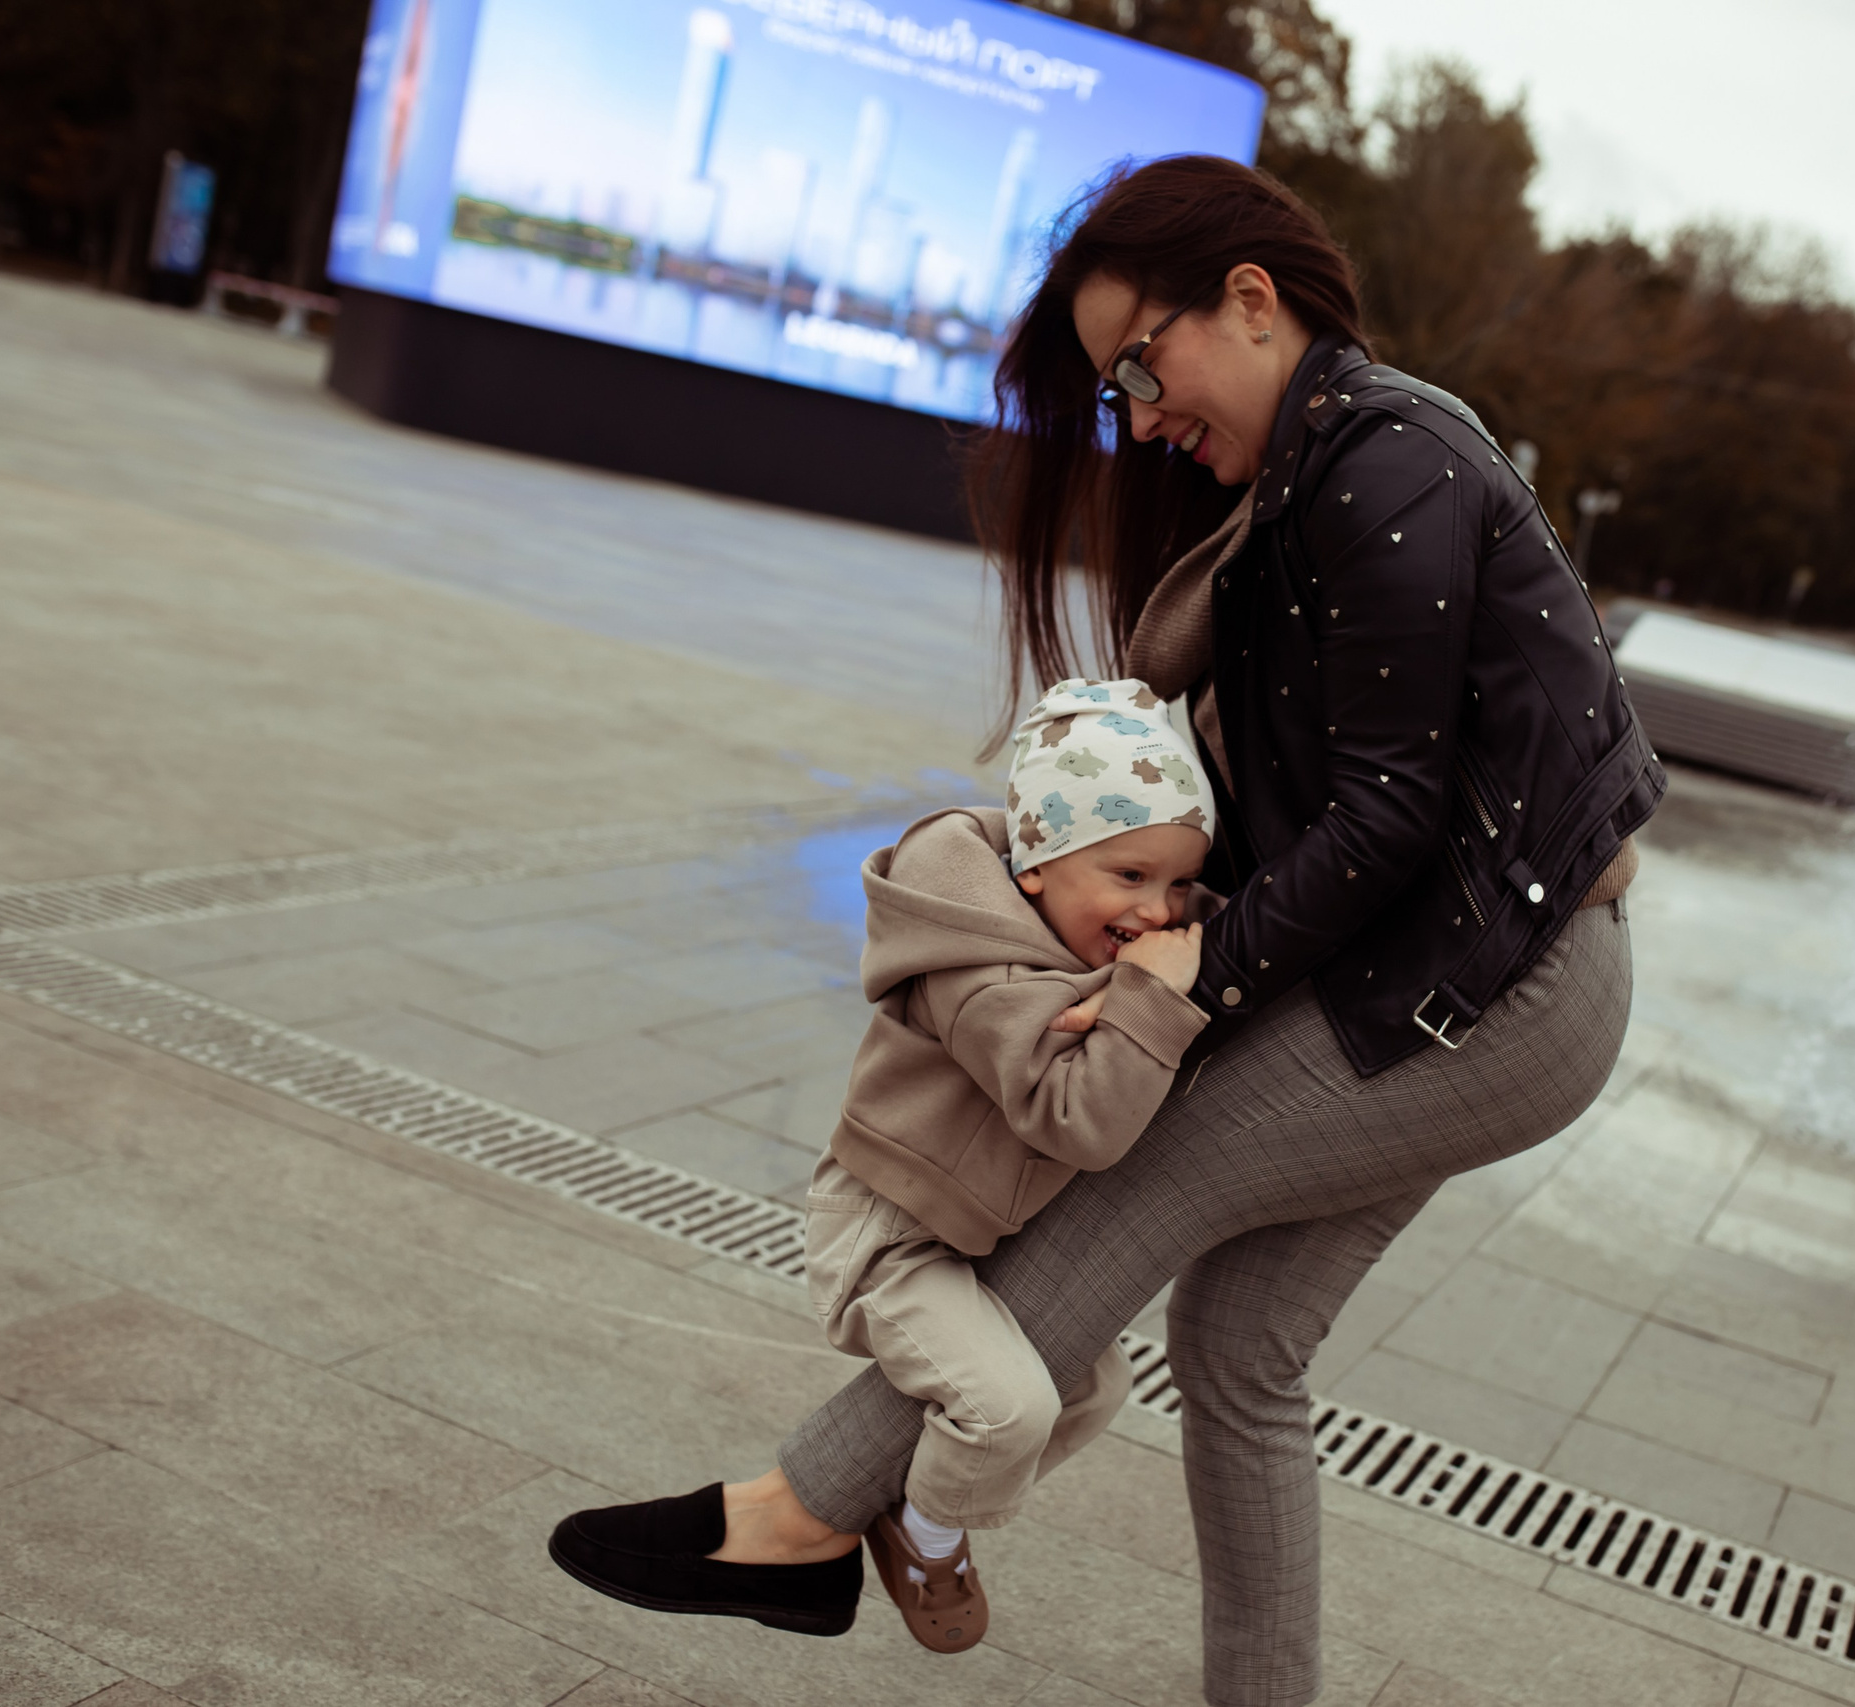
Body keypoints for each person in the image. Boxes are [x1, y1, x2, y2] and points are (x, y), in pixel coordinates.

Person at [548, 154, 1665, 1707]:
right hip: (1455, 975)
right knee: (1241, 1348)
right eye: (1114, 393)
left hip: (1500, 987)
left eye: (1141, 364)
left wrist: (1188, 965)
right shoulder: (1312, 482)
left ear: (1252, 301)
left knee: (1153, 1165)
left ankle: (803, 1514)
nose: (1138, 416)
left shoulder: (1383, 462)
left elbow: (1394, 813)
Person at [549, 680, 1218, 1653]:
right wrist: (1152, 1003)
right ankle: (927, 1533)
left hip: (968, 1236)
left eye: (1177, 888)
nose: (1155, 913)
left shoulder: (1069, 926)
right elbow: (1079, 1123)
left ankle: (909, 1502)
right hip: (890, 1238)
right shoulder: (982, 974)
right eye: (1128, 877)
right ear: (1035, 865)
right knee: (1006, 1410)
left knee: (1094, 1388)